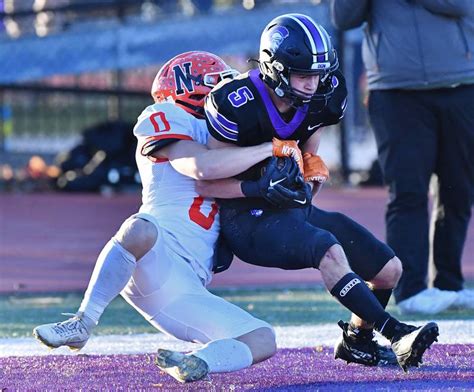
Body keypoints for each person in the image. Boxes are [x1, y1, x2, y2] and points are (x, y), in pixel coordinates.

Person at [32, 51, 303, 383]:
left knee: (263, 338)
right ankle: (83, 322)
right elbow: (200, 167)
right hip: (153, 255)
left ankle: (198, 362)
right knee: (140, 228)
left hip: (187, 285)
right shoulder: (165, 115)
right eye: (218, 82)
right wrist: (270, 149)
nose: (228, 92)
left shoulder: (229, 133)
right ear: (192, 88)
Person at [198, 13, 439, 371]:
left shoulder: (324, 95)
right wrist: (256, 184)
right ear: (275, 70)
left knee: (388, 269)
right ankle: (395, 333)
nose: (313, 84)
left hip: (290, 210)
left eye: (317, 74)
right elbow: (204, 179)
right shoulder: (236, 103)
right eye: (304, 75)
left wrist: (309, 179)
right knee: (327, 250)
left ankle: (357, 341)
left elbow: (307, 156)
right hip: (245, 218)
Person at [330, 1, 474, 314]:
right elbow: (344, 18)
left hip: (462, 84)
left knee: (459, 190)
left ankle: (449, 284)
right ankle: (411, 289)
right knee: (407, 191)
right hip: (394, 92)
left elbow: (460, 5)